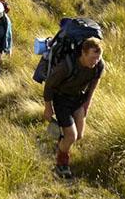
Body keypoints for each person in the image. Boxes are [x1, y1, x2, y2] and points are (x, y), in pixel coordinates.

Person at [43, 36, 105, 179]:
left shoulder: (98, 65)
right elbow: (49, 85)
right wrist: (48, 108)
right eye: (92, 58)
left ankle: (61, 141)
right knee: (72, 136)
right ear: (83, 53)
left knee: (79, 136)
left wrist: (88, 102)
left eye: (97, 58)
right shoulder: (67, 66)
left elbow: (96, 81)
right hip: (61, 100)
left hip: (78, 100)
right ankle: (61, 165)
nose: (95, 62)